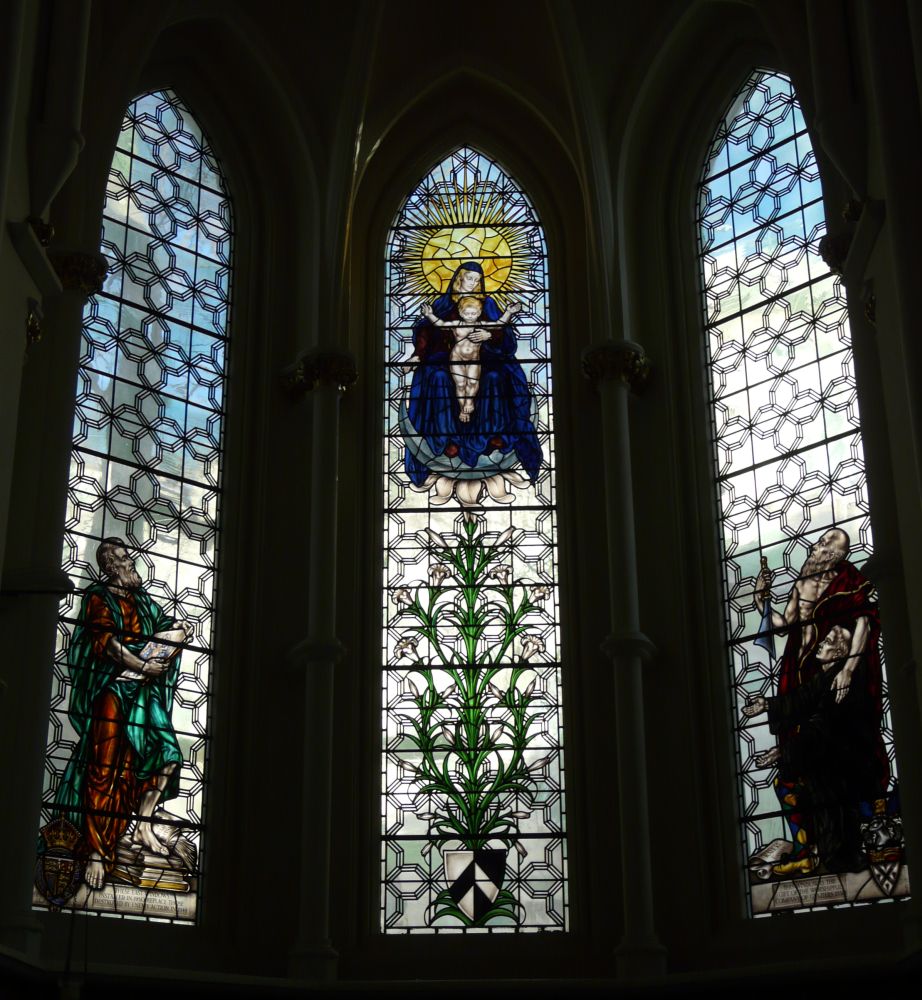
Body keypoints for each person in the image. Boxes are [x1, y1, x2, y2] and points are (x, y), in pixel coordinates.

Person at [53, 537, 191, 889]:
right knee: (105, 769)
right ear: (111, 566)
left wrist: (180, 629)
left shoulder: (142, 600)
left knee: (167, 754)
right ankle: (96, 852)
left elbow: (164, 623)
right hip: (112, 690)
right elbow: (108, 646)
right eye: (125, 558)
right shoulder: (98, 598)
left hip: (143, 691)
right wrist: (142, 665)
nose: (132, 562)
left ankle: (143, 824)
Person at [752, 528, 889, 875]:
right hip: (798, 671)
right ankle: (808, 842)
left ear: (837, 556)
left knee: (831, 751)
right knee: (800, 756)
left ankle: (848, 838)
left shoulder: (849, 581)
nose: (818, 546)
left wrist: (849, 668)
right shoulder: (801, 583)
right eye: (821, 541)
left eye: (827, 544)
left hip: (829, 669)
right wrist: (761, 599)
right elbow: (784, 625)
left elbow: (863, 622)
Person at [744, 625, 880, 873]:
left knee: (833, 816)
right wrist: (767, 705)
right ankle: (811, 851)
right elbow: (800, 700)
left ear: (839, 652)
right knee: (803, 794)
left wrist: (783, 752)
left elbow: (822, 726)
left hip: (844, 765)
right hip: (827, 761)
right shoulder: (823, 678)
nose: (820, 644)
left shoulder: (842, 682)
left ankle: (837, 858)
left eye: (827, 641)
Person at [402, 261, 542, 487]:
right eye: (470, 278)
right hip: (446, 362)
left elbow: (503, 332)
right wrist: (418, 355)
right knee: (438, 378)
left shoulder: (487, 304)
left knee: (495, 378)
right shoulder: (443, 304)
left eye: (478, 280)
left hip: (485, 359)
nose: (474, 284)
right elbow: (428, 330)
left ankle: (491, 435)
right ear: (459, 279)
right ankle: (445, 439)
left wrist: (489, 336)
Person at [408, 295, 523, 422]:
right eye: (467, 313)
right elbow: (440, 324)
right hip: (456, 357)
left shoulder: (481, 325)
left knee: (473, 382)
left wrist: (508, 312)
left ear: (479, 313)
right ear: (461, 313)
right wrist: (430, 315)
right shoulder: (456, 324)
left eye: (473, 313)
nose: (470, 316)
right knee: (461, 384)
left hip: (474, 358)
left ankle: (469, 402)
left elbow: (499, 324)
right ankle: (463, 409)